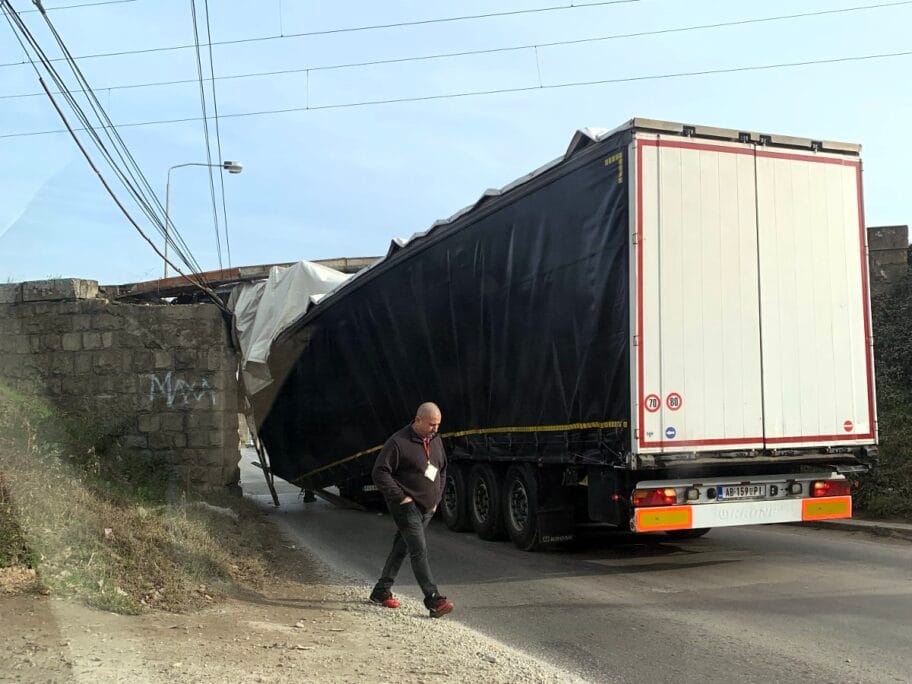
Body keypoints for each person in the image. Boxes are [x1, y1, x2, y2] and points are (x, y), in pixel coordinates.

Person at [369, 402, 455, 618]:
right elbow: (379, 473)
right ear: (418, 420)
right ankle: (433, 599)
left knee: (402, 547)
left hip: (427, 508)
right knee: (419, 549)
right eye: (431, 424)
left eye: (438, 425)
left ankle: (381, 591)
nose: (435, 429)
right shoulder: (398, 442)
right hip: (406, 507)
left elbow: (442, 469)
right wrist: (402, 498)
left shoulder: (436, 441)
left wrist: (437, 498)